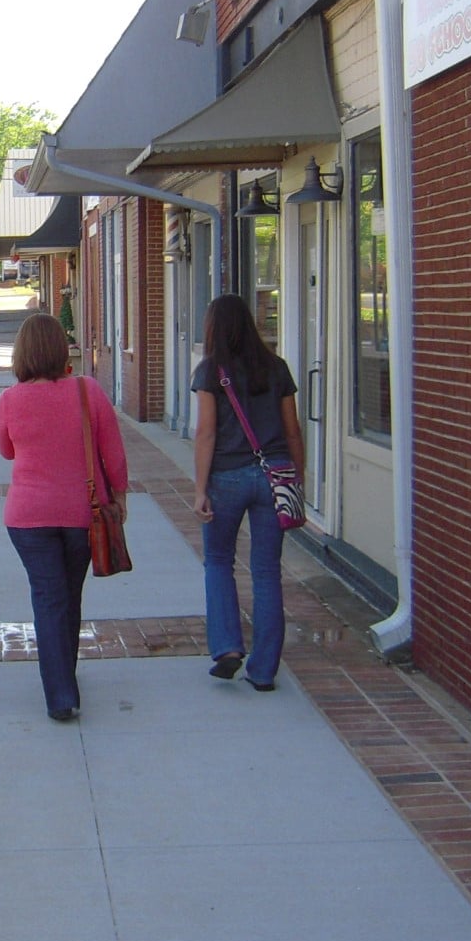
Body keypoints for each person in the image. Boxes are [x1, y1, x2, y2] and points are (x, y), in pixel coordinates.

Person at [0, 312, 127, 722]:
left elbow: (7, 451)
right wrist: (119, 500)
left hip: (27, 516)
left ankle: (61, 692)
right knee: (69, 594)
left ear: (22, 354)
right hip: (82, 513)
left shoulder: (9, 400)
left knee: (50, 598)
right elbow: (114, 454)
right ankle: (63, 680)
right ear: (60, 349)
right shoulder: (88, 391)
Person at [191, 294, 306, 691]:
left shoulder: (210, 371)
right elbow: (293, 431)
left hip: (226, 476)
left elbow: (205, 432)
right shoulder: (276, 368)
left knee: (219, 561)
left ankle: (226, 648)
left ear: (213, 329)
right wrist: (296, 480)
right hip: (273, 475)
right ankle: (263, 670)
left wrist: (200, 488)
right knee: (266, 571)